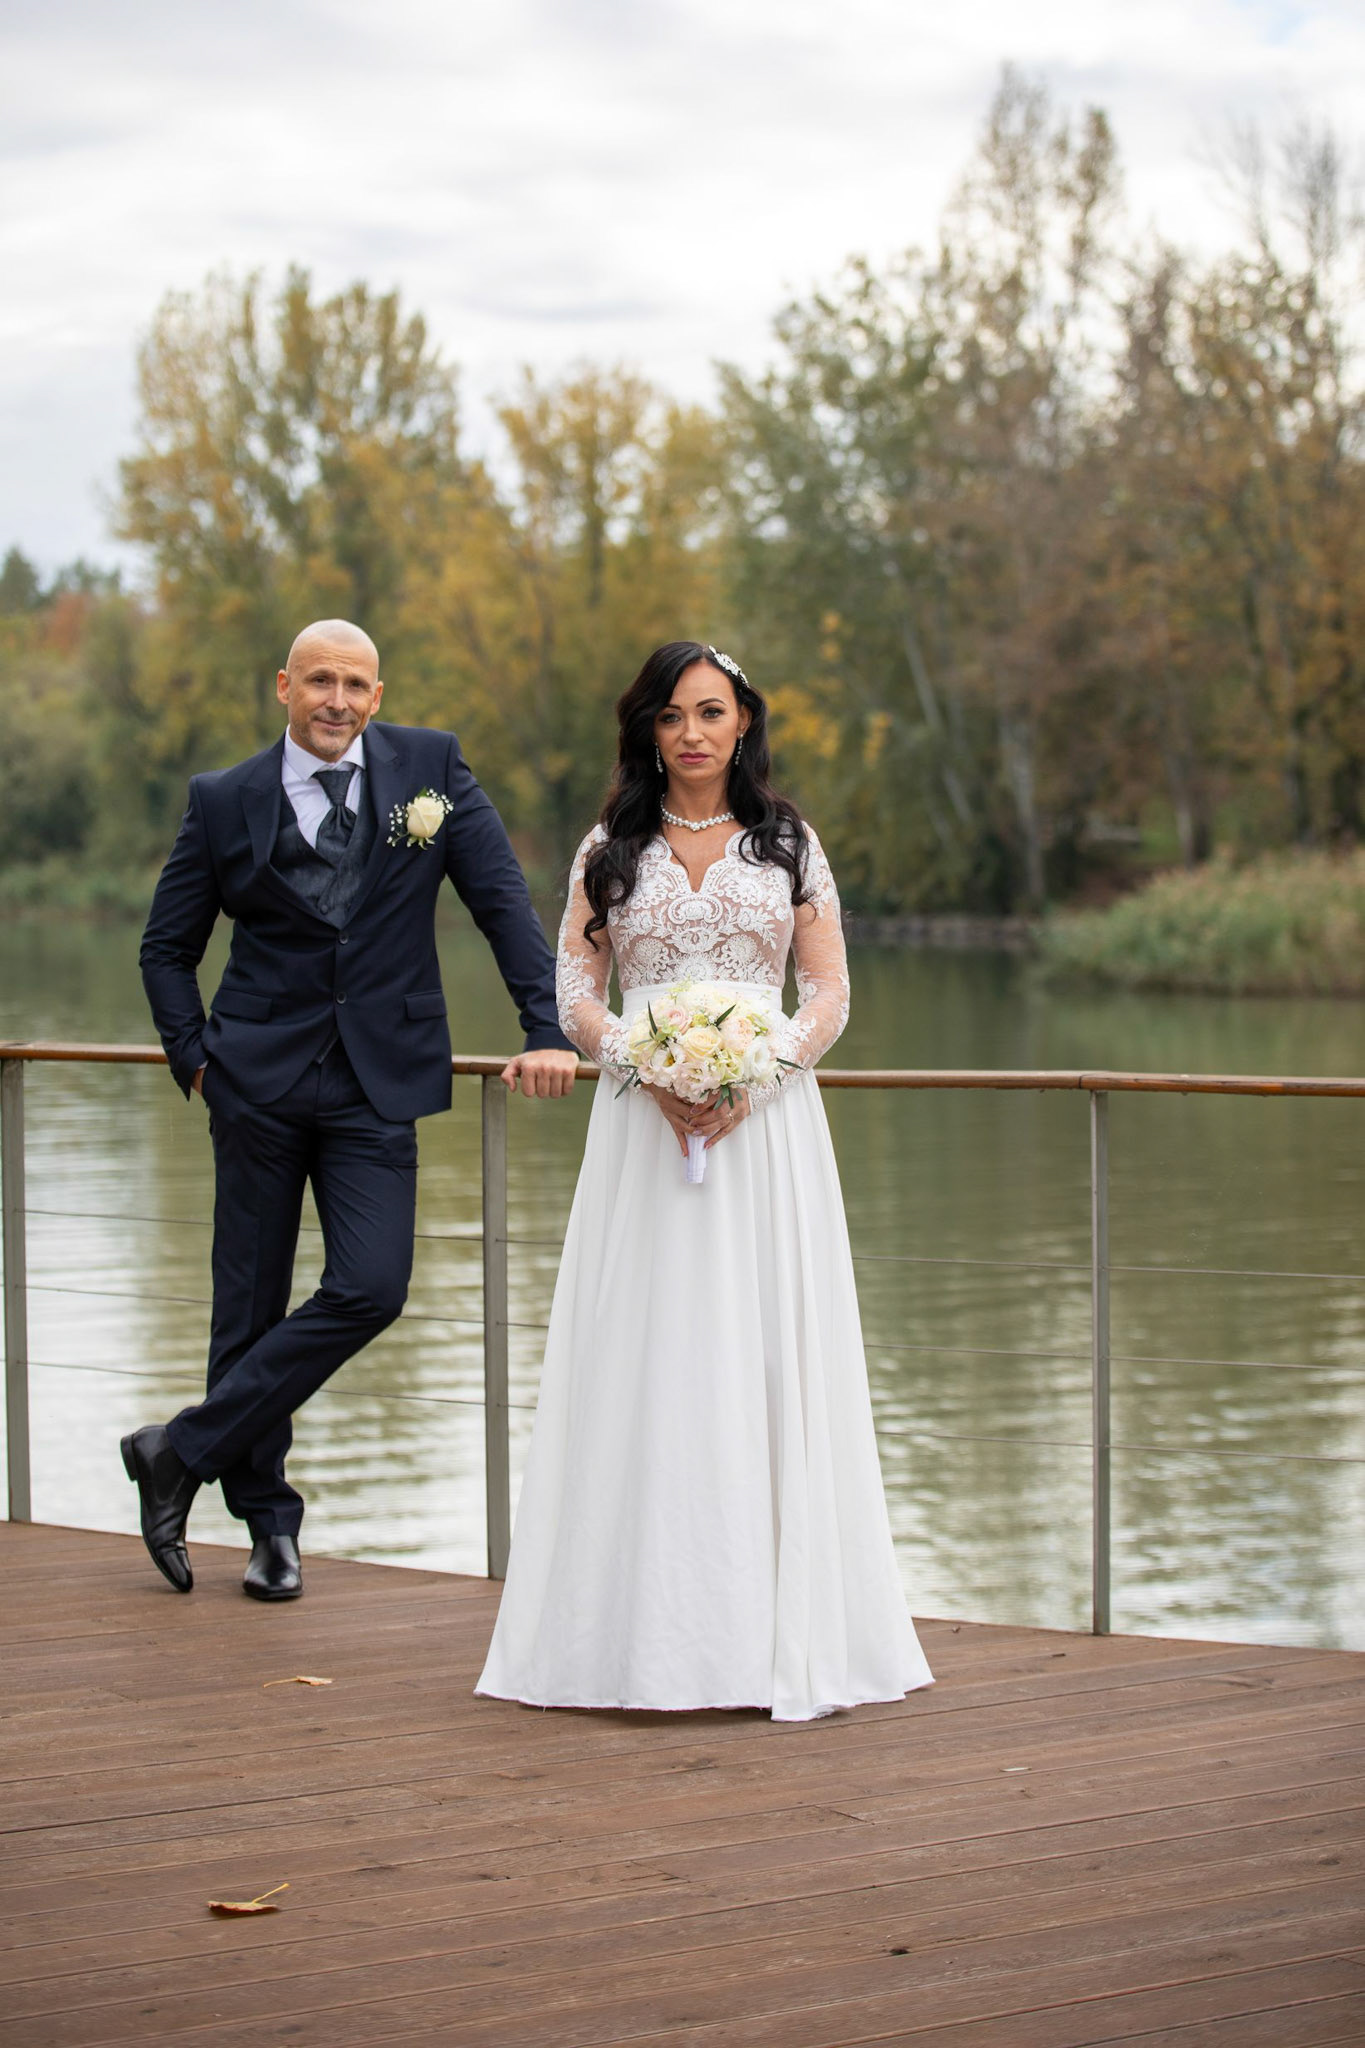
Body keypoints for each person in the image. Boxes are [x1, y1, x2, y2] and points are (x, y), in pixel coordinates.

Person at [477, 641, 933, 1720]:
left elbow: (828, 992)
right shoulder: (610, 847)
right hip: (641, 1130)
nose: (691, 732)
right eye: (672, 714)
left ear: (742, 724)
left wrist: (753, 1073)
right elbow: (574, 989)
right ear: (647, 728)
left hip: (765, 1131)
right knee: (647, 1353)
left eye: (711, 712)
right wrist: (648, 1066)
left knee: (760, 1349)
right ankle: (629, 1642)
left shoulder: (787, 843)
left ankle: (772, 1634)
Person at [127, 619, 578, 1601]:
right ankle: (268, 1529)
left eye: (356, 684)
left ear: (379, 695)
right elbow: (166, 948)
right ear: (283, 685)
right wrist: (196, 1062)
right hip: (254, 1082)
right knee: (246, 1307)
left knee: (372, 1286)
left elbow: (501, 901)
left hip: (380, 1079)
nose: (337, 700)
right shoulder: (223, 798)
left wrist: (545, 1026)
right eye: (320, 680)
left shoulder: (431, 768)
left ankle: (178, 1450)